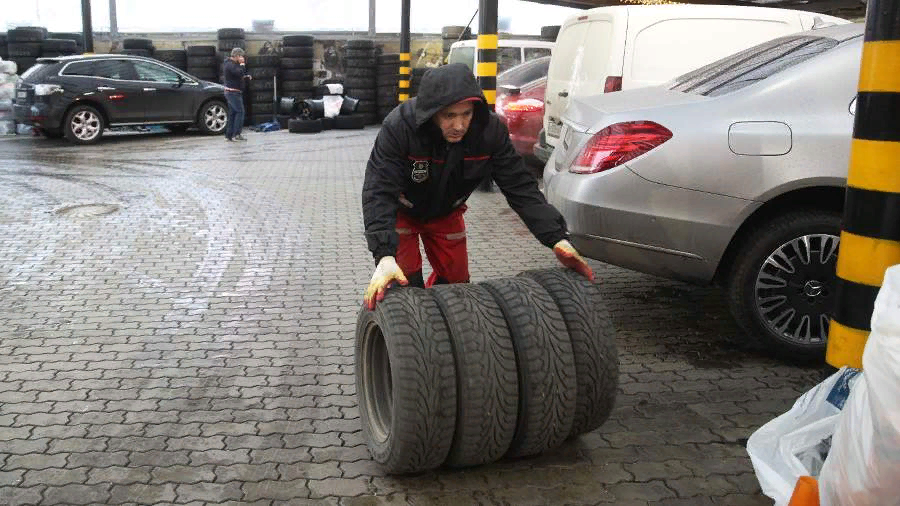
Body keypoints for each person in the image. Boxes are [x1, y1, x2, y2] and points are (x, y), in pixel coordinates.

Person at [361, 63, 593, 310]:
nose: (459, 125)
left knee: (458, 286)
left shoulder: (490, 132)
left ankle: (442, 325)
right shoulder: (400, 127)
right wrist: (383, 254)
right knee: (403, 284)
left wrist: (556, 238)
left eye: (466, 114)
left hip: (446, 213)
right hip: (403, 212)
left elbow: (520, 186)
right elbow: (378, 189)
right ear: (431, 113)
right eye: (449, 115)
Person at [222, 48, 251, 141]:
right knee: (240, 112)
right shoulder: (230, 64)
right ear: (237, 56)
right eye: (241, 56)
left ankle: (229, 135)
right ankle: (237, 134)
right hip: (233, 93)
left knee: (233, 113)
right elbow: (239, 72)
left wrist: (245, 77)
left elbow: (236, 75)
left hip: (231, 92)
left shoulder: (230, 64)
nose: (242, 58)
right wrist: (242, 64)